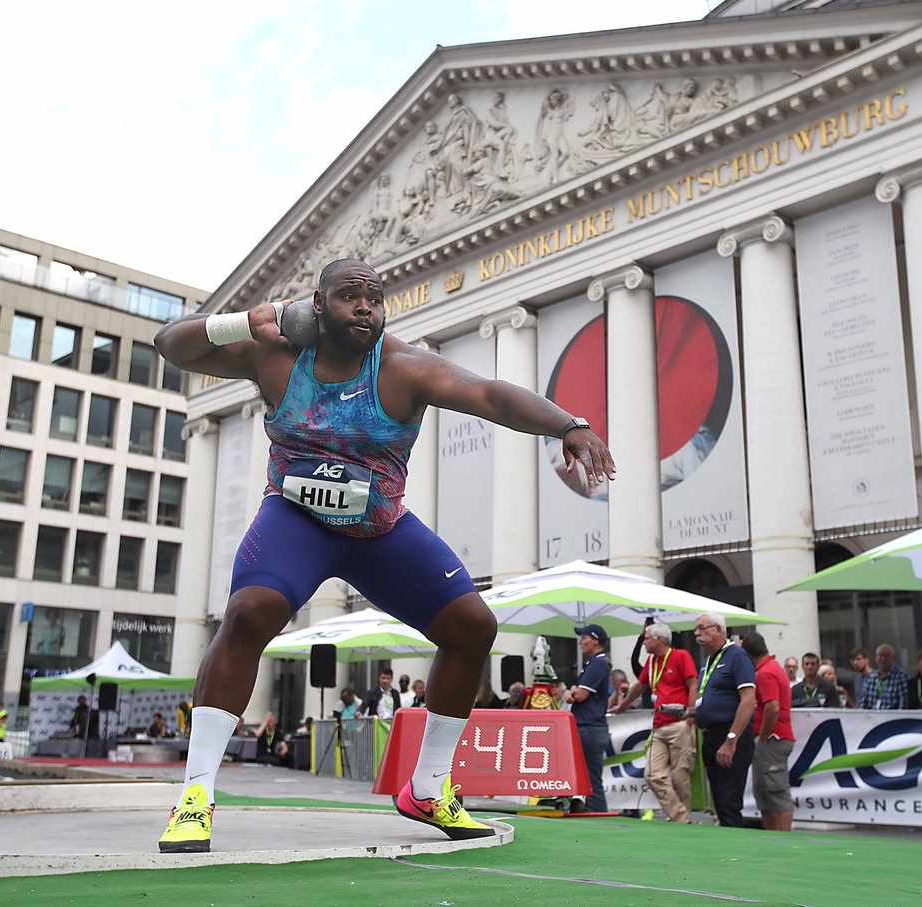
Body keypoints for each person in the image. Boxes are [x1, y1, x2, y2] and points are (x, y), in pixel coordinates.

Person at [151, 257, 615, 853]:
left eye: (375, 298)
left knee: (473, 626)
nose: (366, 307)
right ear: (316, 306)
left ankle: (428, 787)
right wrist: (248, 319)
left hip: (378, 529)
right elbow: (172, 345)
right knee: (249, 614)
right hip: (298, 519)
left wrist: (567, 424)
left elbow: (489, 395)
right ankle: (195, 796)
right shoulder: (274, 355)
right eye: (349, 297)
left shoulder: (402, 367)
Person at [611, 621, 697, 824]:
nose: (644, 642)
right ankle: (682, 818)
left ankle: (682, 819)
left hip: (679, 723)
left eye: (647, 638)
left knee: (680, 777)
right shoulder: (651, 662)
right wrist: (622, 707)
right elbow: (640, 686)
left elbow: (693, 685)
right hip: (659, 725)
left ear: (659, 639)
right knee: (652, 775)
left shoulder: (681, 656)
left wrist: (691, 714)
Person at [690, 613, 756, 828]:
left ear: (718, 629)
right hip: (710, 735)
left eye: (702, 628)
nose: (697, 633)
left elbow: (748, 701)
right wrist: (690, 712)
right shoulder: (708, 661)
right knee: (720, 801)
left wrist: (731, 740)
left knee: (728, 803)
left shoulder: (737, 656)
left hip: (729, 735)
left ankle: (736, 854)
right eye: (696, 629)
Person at [741, 632, 795, 833]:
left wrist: (763, 735)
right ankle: (775, 836)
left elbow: (773, 707)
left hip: (773, 738)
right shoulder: (771, 669)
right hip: (772, 738)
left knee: (775, 790)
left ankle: (782, 837)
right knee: (764, 791)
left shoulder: (766, 673)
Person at [565, 624, 611, 814]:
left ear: (595, 641)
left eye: (584, 638)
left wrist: (575, 691)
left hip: (590, 728)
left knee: (593, 781)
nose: (580, 642)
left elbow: (580, 695)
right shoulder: (593, 663)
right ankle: (597, 816)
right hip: (589, 727)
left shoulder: (599, 663)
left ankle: (601, 819)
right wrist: (575, 691)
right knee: (590, 780)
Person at [858, 644, 909, 710]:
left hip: (892, 718)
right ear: (876, 658)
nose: (883, 659)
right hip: (872, 718)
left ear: (893, 659)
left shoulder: (901, 677)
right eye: (880, 655)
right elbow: (863, 705)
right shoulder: (870, 678)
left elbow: (904, 705)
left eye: (886, 656)